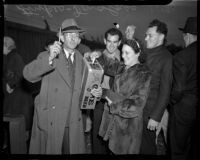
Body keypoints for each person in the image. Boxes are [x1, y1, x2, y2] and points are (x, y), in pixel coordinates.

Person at [23, 18, 102, 154]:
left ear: (79, 41)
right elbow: (28, 74)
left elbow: (88, 90)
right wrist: (50, 58)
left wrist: (96, 93)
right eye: (69, 34)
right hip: (51, 120)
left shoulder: (84, 61)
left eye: (76, 35)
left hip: (73, 121)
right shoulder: (47, 55)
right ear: (61, 37)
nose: (73, 38)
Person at [90, 39, 151, 154]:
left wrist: (113, 105)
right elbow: (108, 63)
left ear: (138, 53)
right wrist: (97, 54)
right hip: (114, 124)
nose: (123, 56)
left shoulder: (143, 74)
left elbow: (137, 105)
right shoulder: (122, 67)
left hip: (128, 128)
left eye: (127, 53)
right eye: (122, 52)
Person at [139, 19, 173, 154]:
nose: (146, 38)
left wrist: (155, 116)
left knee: (146, 148)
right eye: (146, 35)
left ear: (161, 37)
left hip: (149, 113)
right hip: (138, 108)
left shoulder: (167, 58)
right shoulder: (146, 53)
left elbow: (166, 91)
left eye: (150, 35)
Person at [169, 17, 197, 160]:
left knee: (178, 148)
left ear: (187, 36)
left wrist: (172, 102)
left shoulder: (182, 57)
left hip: (184, 109)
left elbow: (178, 89)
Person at [91, 27, 123, 154]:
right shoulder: (97, 57)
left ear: (119, 43)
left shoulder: (124, 59)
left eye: (115, 42)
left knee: (113, 139)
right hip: (99, 102)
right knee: (98, 137)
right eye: (109, 41)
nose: (111, 45)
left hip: (116, 103)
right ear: (105, 41)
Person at [3, 36, 34, 133]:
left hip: (19, 99)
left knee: (18, 130)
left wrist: (10, 84)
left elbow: (21, 74)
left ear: (6, 46)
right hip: (16, 97)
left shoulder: (15, 57)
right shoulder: (10, 57)